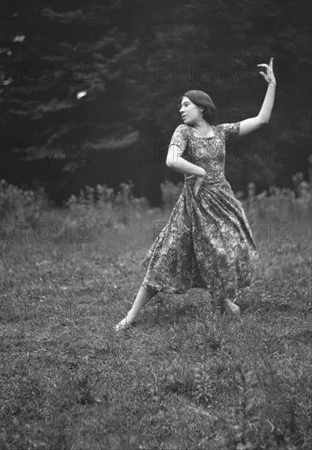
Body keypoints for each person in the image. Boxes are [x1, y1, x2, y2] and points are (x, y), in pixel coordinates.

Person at [115, 58, 276, 331]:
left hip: (222, 201)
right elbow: (171, 160)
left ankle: (222, 299)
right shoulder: (183, 132)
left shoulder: (221, 132)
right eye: (180, 105)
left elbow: (261, 120)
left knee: (225, 252)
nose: (181, 109)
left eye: (186, 104)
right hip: (193, 204)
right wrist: (200, 172)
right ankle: (131, 316)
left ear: (202, 107)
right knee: (167, 257)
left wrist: (271, 86)